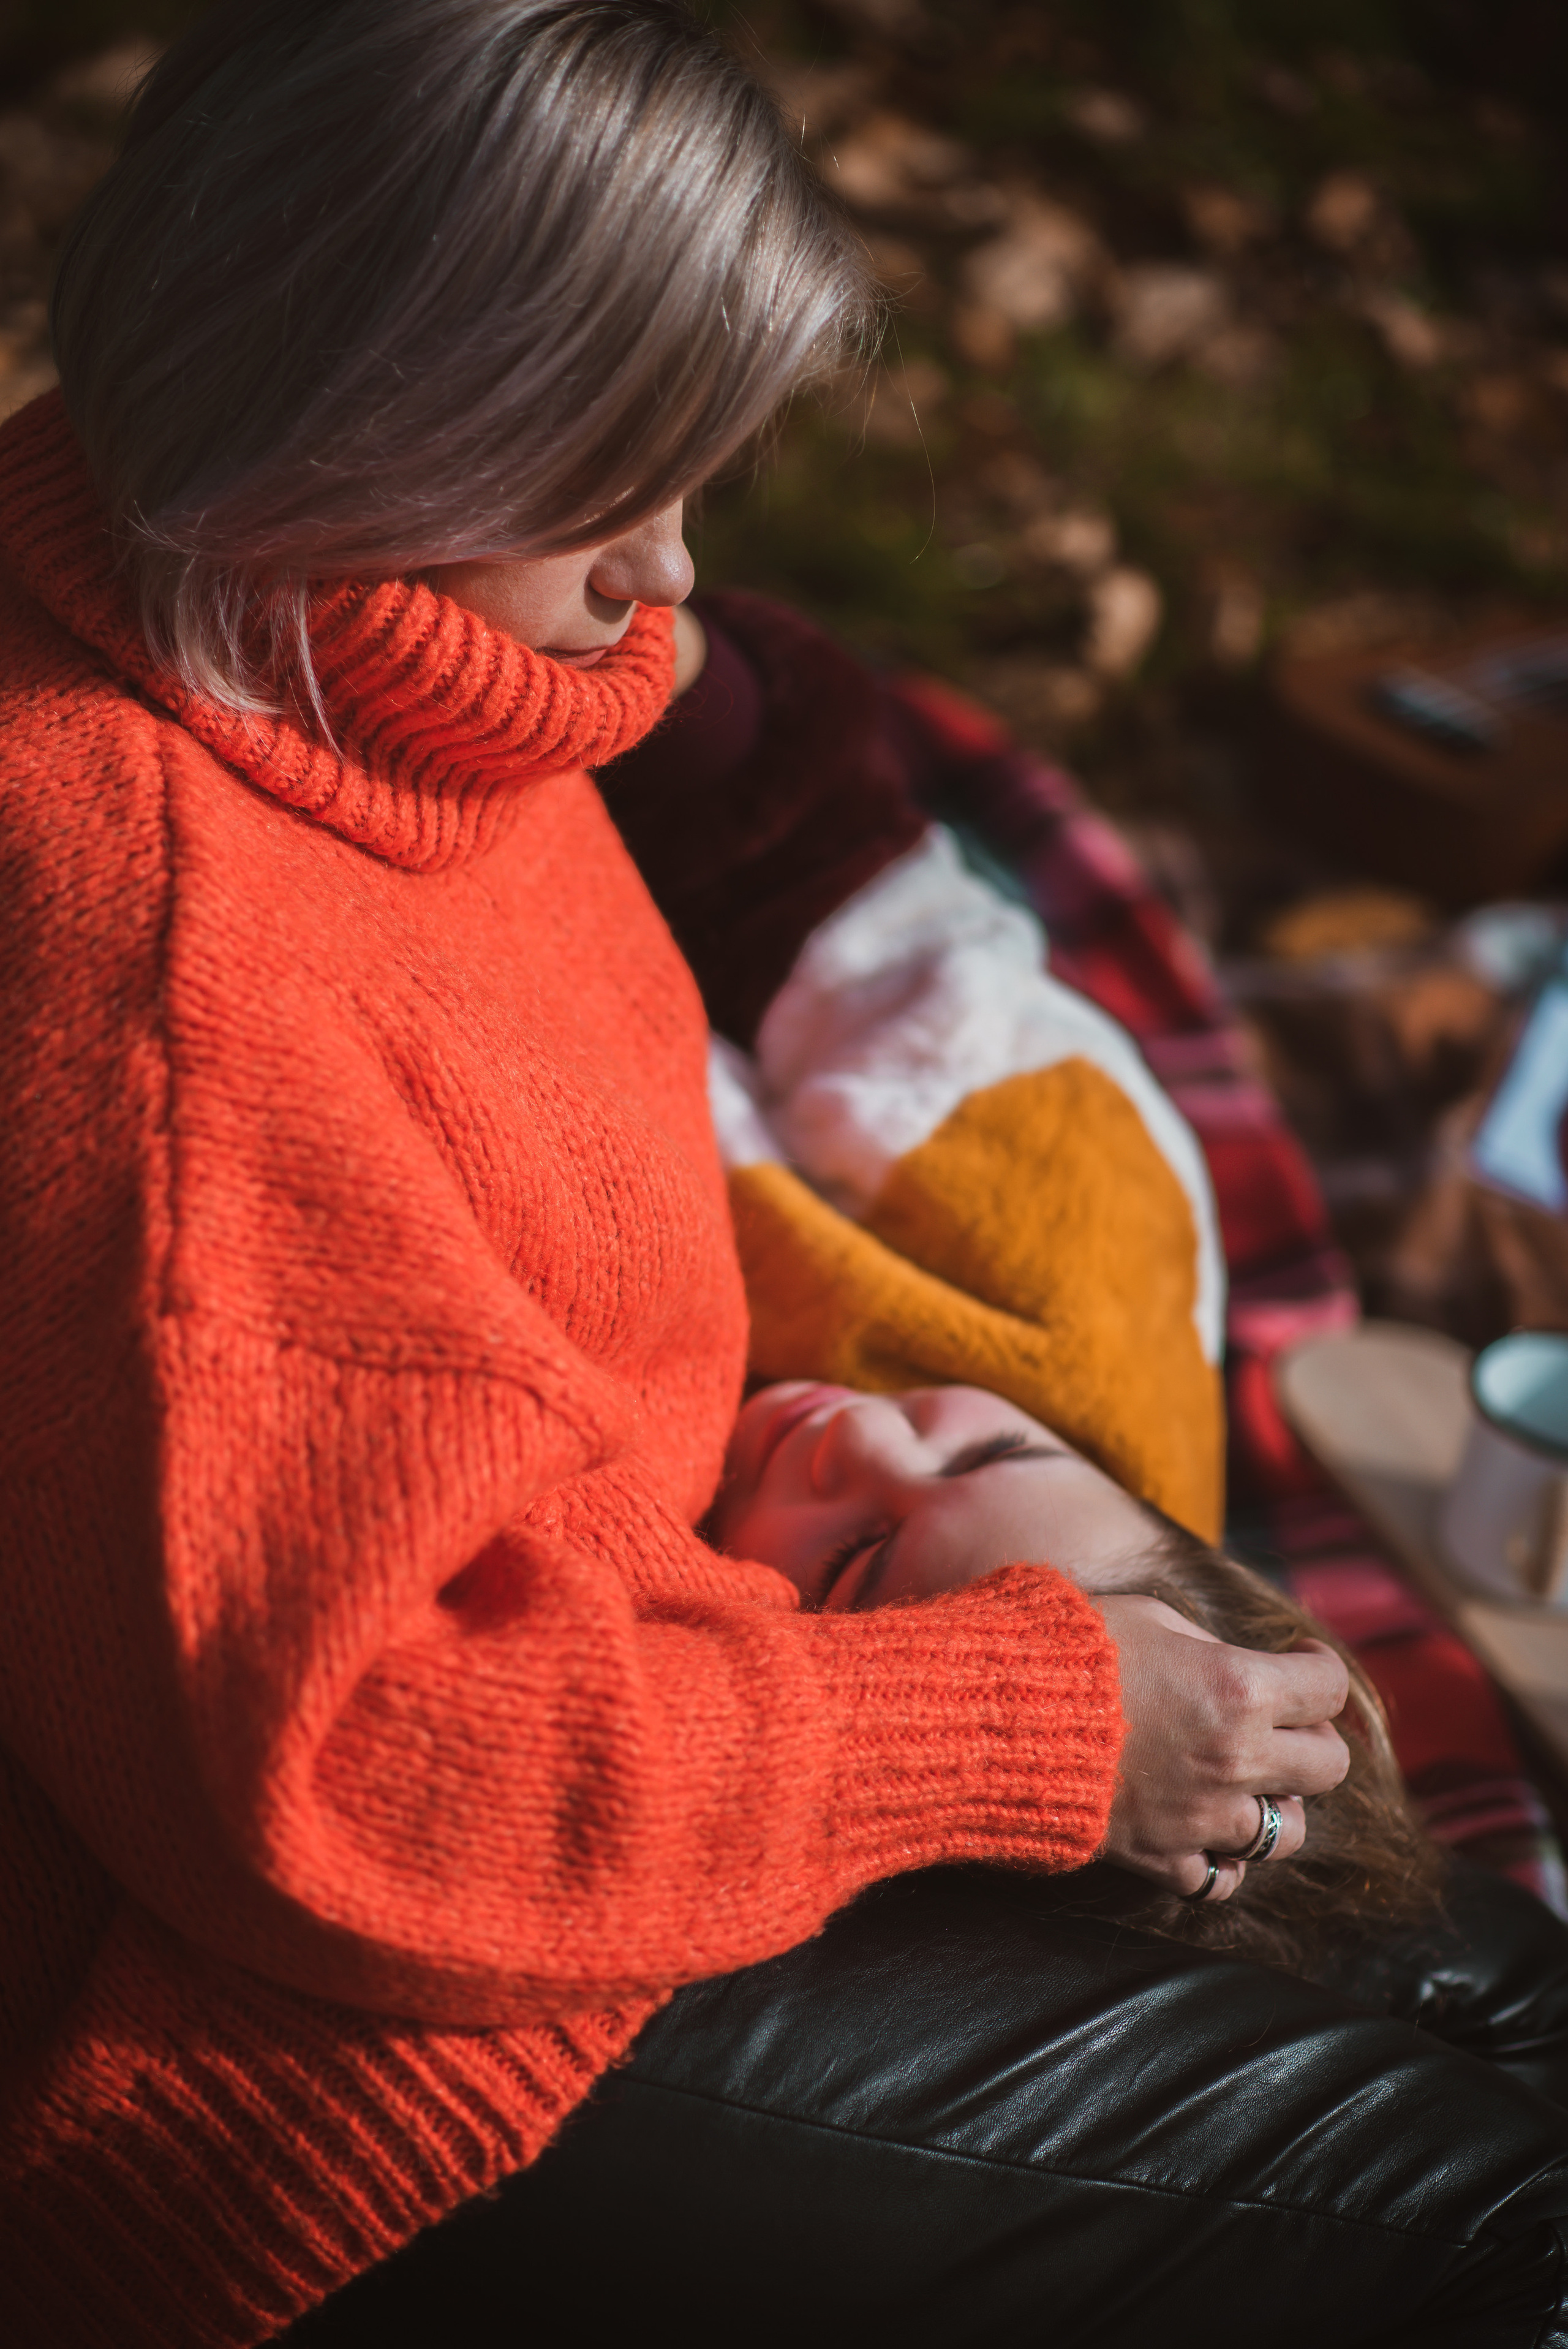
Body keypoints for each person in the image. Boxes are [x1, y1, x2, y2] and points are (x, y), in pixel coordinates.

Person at [4, 6, 1568, 2346]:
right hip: (339, 2015)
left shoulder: (366, 673)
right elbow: (347, 1789)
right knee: (1504, 2237)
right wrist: (1029, 1729)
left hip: (696, 1709)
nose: (669, 566)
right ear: (346, 412)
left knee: (1501, 1976)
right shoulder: (167, 963)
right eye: (596, 475)